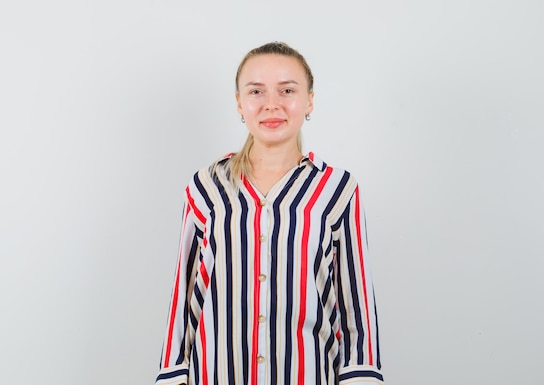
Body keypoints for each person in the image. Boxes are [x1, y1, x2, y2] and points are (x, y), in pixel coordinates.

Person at [156, 42, 384, 385]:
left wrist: (361, 375)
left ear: (309, 100)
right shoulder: (206, 187)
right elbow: (185, 293)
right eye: (256, 91)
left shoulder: (338, 190)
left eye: (287, 90)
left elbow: (355, 300)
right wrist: (173, 372)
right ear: (239, 103)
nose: (271, 104)